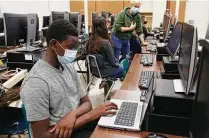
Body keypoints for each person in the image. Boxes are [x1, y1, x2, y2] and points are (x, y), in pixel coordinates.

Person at [20, 20, 118, 138]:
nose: (74, 52)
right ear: (54, 45)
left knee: (115, 123)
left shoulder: (68, 67)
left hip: (77, 124)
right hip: (60, 135)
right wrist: (89, 116)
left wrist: (72, 114)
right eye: (71, 47)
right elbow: (41, 135)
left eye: (75, 48)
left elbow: (87, 103)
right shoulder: (36, 83)